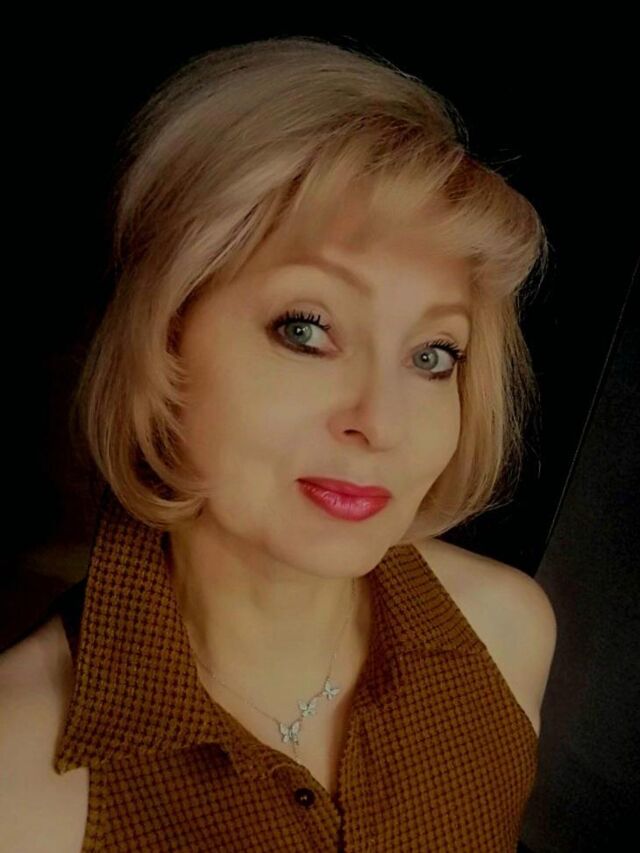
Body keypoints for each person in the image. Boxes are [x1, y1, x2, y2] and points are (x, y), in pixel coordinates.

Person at [0, 35, 557, 851]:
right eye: (306, 329)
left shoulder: (505, 633)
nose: (383, 422)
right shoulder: (20, 783)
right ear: (162, 338)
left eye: (433, 355)